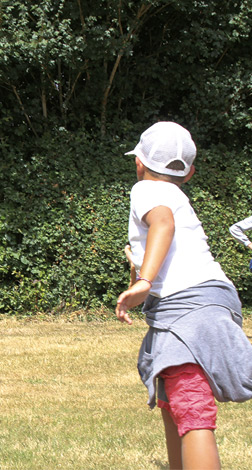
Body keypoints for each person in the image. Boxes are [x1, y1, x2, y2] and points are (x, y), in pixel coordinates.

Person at [115, 121, 252, 469]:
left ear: (139, 162)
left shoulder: (146, 189)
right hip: (213, 297)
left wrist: (143, 281)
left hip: (187, 305)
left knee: (191, 405)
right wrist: (141, 265)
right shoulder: (176, 194)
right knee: (173, 397)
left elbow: (162, 224)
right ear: (189, 173)